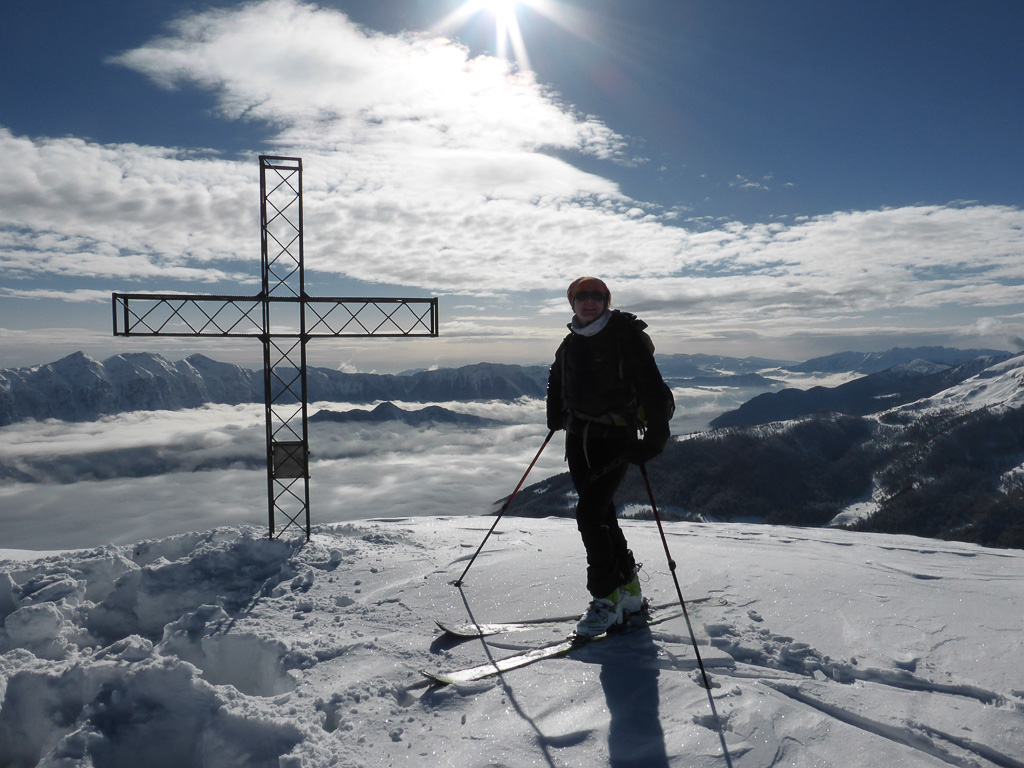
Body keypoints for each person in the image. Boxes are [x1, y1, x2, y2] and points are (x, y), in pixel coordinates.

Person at [546, 276, 675, 636]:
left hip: (616, 439)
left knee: (588, 514)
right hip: (578, 438)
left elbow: (652, 388)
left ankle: (606, 598)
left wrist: (656, 438)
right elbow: (557, 377)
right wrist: (554, 414)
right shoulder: (571, 342)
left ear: (606, 301)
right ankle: (628, 588)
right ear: (572, 303)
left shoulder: (624, 337)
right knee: (601, 514)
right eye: (582, 297)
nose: (589, 302)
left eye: (596, 296)